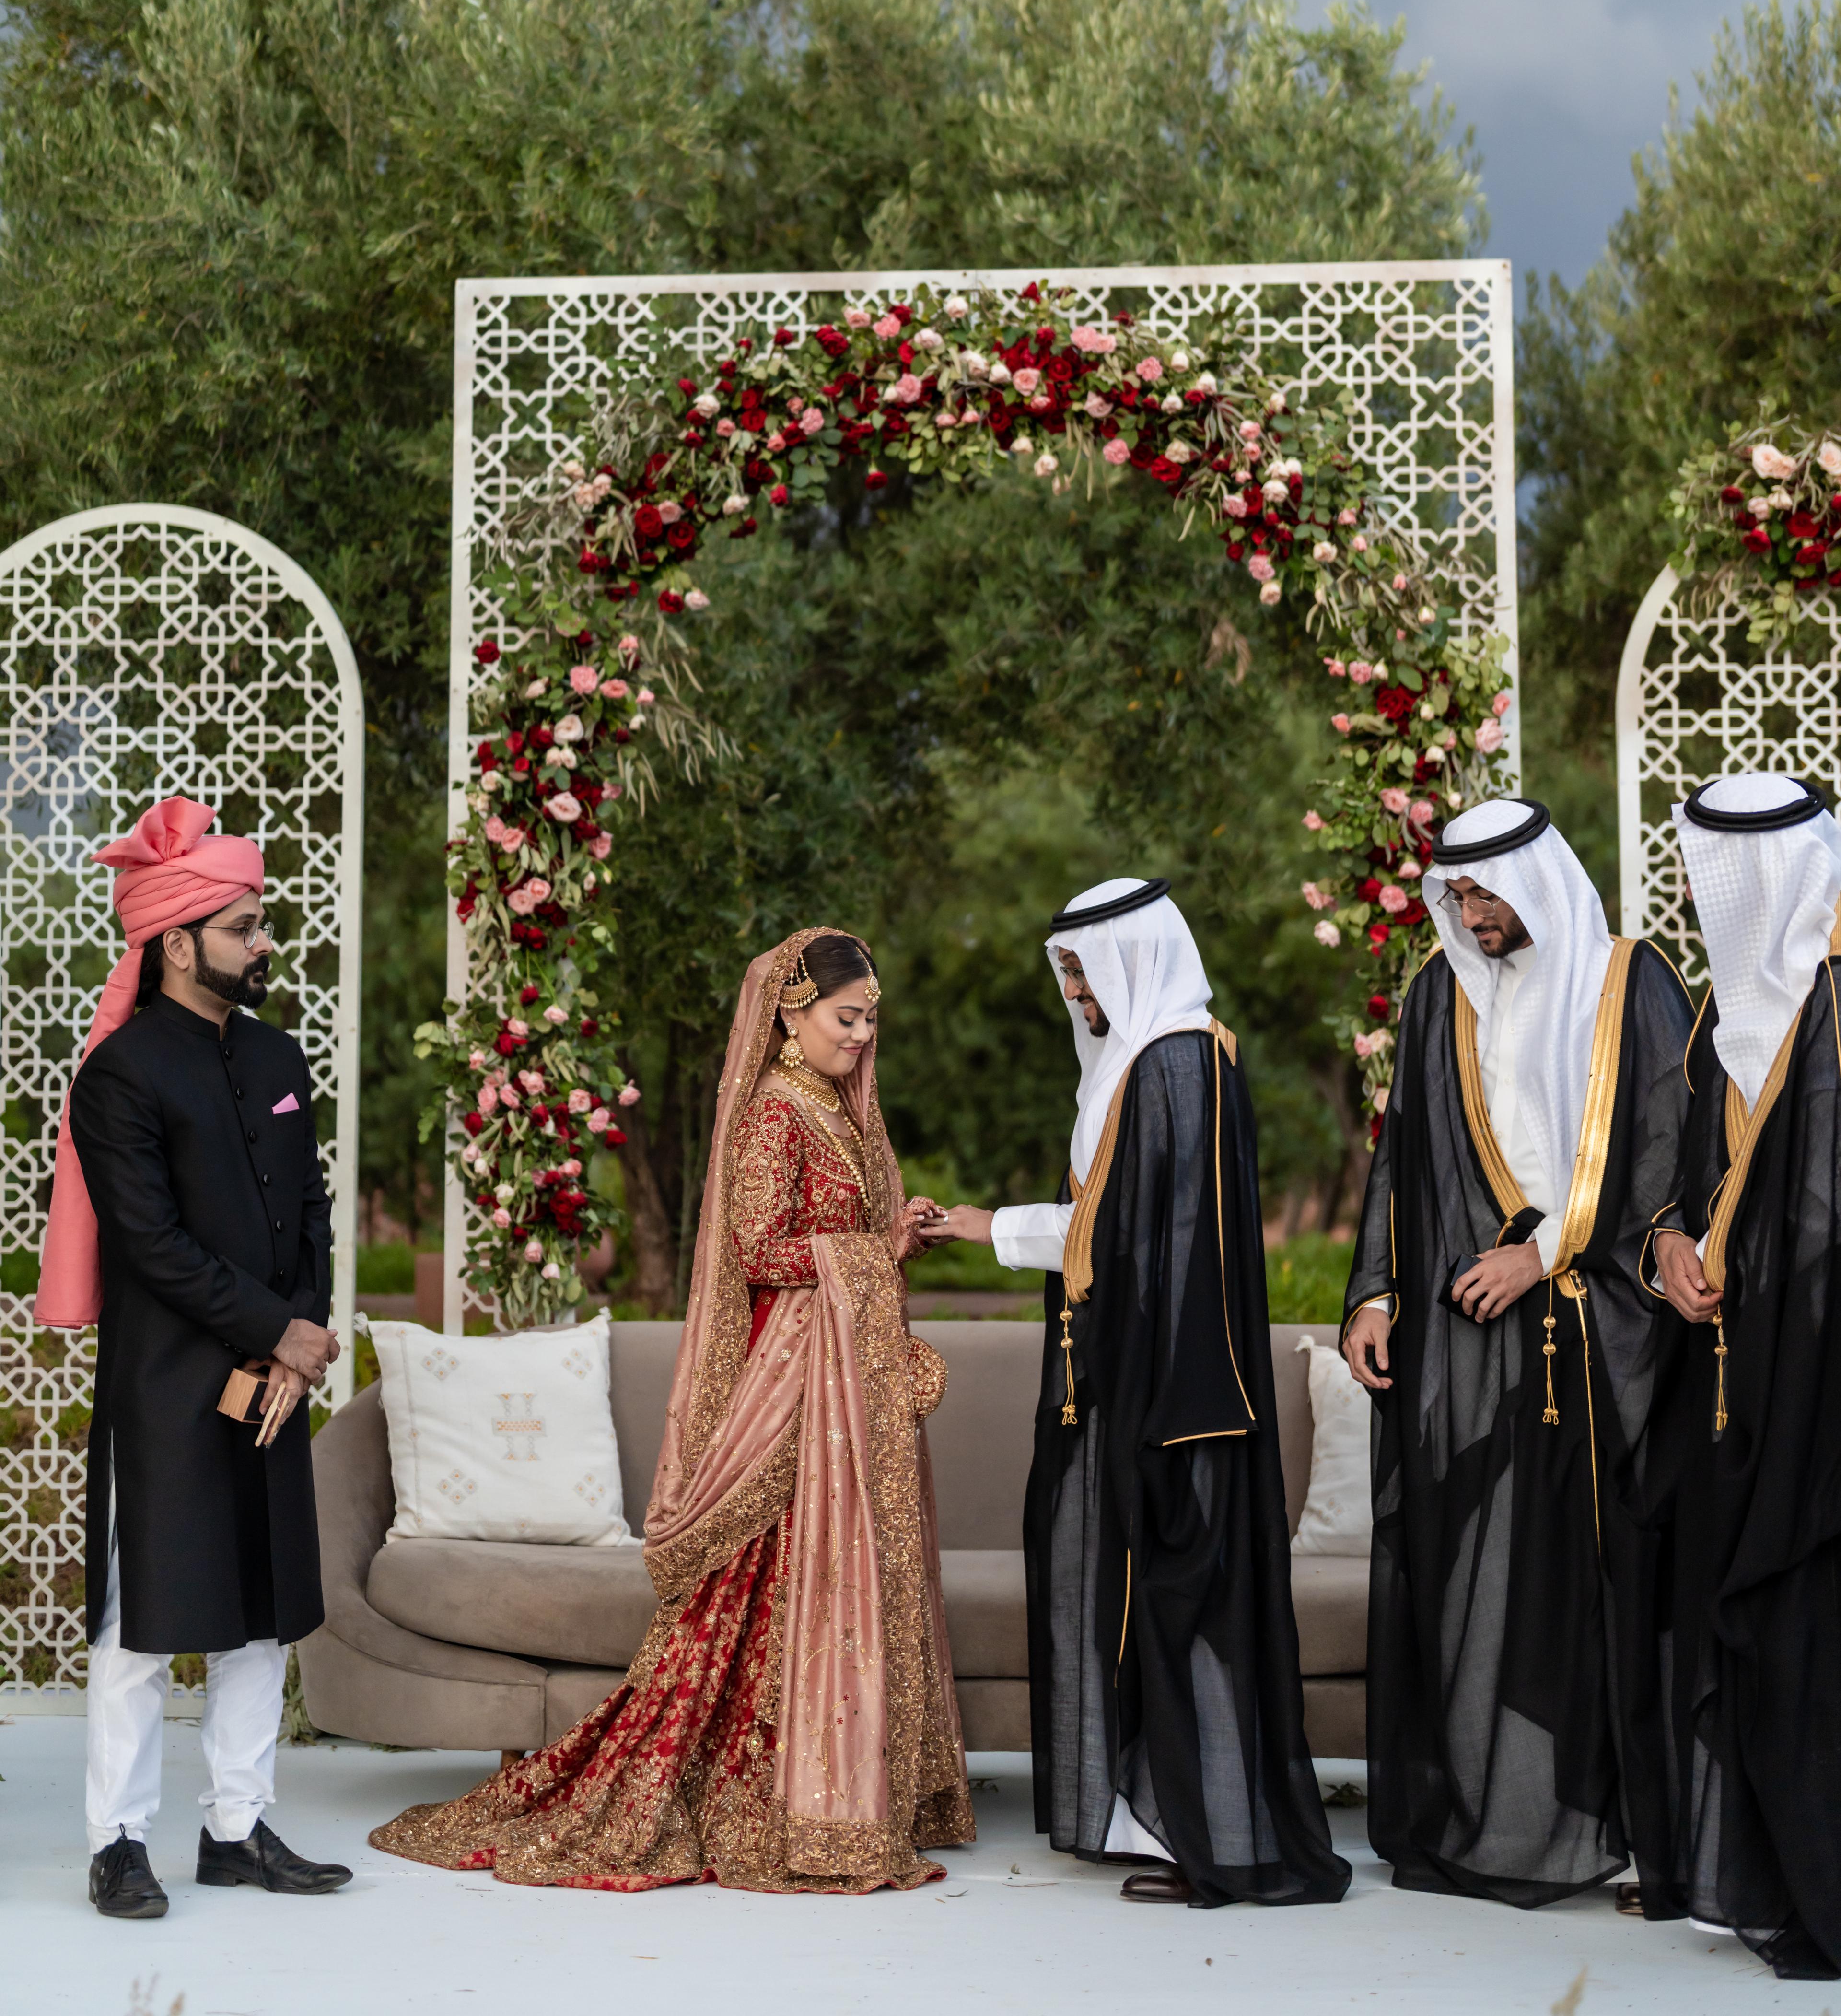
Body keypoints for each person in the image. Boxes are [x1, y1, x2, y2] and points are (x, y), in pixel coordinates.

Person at [372, 926, 975, 1892]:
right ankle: (782, 1793)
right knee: (769, 1580)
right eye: (845, 1017)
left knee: (821, 1572)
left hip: (835, 1371)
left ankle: (830, 1789)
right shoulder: (778, 1113)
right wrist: (875, 1257)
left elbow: (822, 1239)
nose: (862, 1036)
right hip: (797, 1374)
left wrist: (887, 1235)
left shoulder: (836, 1107)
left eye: (871, 1020)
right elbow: (759, 1251)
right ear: (791, 1015)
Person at [924, 877, 1349, 1910]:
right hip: (1128, 1373)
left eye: (1084, 968)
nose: (1074, 990)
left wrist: (995, 1229)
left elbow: (1135, 1240)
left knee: (1179, 1594)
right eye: (1066, 970)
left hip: (1177, 1388)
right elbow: (1116, 1225)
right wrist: (999, 1228)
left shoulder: (1178, 1061)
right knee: (1124, 1591)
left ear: (1136, 959)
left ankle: (1219, 1840)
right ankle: (1150, 1820)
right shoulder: (1140, 1066)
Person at [1342, 796, 1694, 1914]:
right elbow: (1402, 1163)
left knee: (1607, 1580)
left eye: (1488, 893)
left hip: (1607, 1335)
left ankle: (1633, 1837)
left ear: (1537, 885)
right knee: (1476, 1574)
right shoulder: (1441, 994)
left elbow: (1662, 1152)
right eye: (1457, 896)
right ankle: (1492, 1821)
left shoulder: (1629, 982)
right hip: (1468, 1340)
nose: (1472, 913)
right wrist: (1374, 1292)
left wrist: (1545, 1255)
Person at [36, 797, 349, 1919]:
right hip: (165, 1390)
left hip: (273, 1384)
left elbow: (307, 1211)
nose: (265, 944)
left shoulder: (276, 1053)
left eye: (260, 924)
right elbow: (153, 1246)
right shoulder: (119, 1076)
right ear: (178, 943)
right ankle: (117, 1844)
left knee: (260, 1611)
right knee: (140, 1620)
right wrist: (279, 1332)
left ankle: (235, 1829)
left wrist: (296, 1351)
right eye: (245, 927)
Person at [1647, 773, 1841, 1980]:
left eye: (1722, 872)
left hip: (1828, 1382)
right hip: (1731, 1377)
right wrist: (1670, 1246)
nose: (1700, 893)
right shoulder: (1726, 1013)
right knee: (1758, 1628)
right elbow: (1683, 1176)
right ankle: (1773, 1878)